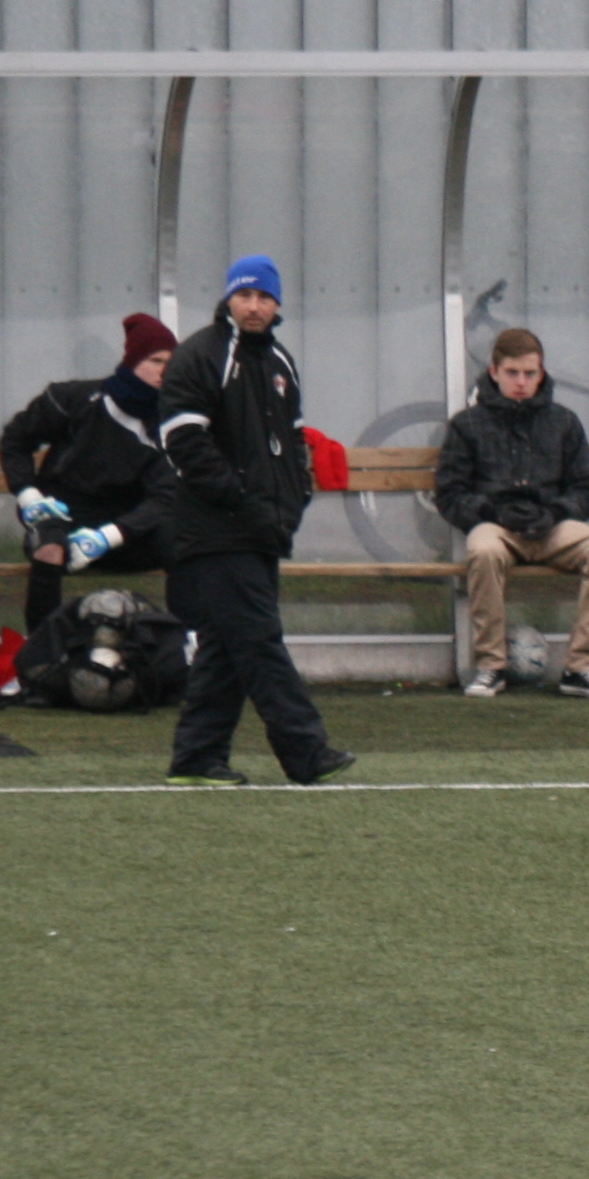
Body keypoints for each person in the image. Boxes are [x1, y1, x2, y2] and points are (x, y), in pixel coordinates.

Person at [155, 255, 350, 787]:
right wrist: (240, 498)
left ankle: (196, 758)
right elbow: (181, 439)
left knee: (226, 648)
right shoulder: (201, 354)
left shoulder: (280, 361)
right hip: (218, 528)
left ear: (277, 303)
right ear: (228, 299)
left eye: (264, 296)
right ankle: (306, 751)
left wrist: (294, 497)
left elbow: (294, 440)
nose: (254, 306)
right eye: (245, 295)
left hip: (262, 528)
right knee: (260, 640)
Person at [436, 326, 589, 699]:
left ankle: (580, 667)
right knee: (484, 551)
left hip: (552, 526)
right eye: (512, 373)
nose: (521, 382)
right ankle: (491, 665)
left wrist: (554, 512)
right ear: (494, 372)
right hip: (496, 525)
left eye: (529, 373)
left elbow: (584, 490)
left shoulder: (564, 421)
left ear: (541, 373)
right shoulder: (467, 424)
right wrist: (492, 512)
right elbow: (450, 493)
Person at [0, 312, 176, 637]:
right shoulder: (74, 399)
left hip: (127, 532)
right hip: (63, 516)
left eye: (171, 363)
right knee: (48, 549)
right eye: (156, 360)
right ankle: (43, 655)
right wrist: (28, 495)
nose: (164, 371)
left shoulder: (172, 423)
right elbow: (15, 440)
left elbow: (166, 497)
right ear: (133, 361)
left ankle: (186, 649)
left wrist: (109, 536)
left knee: (187, 542)